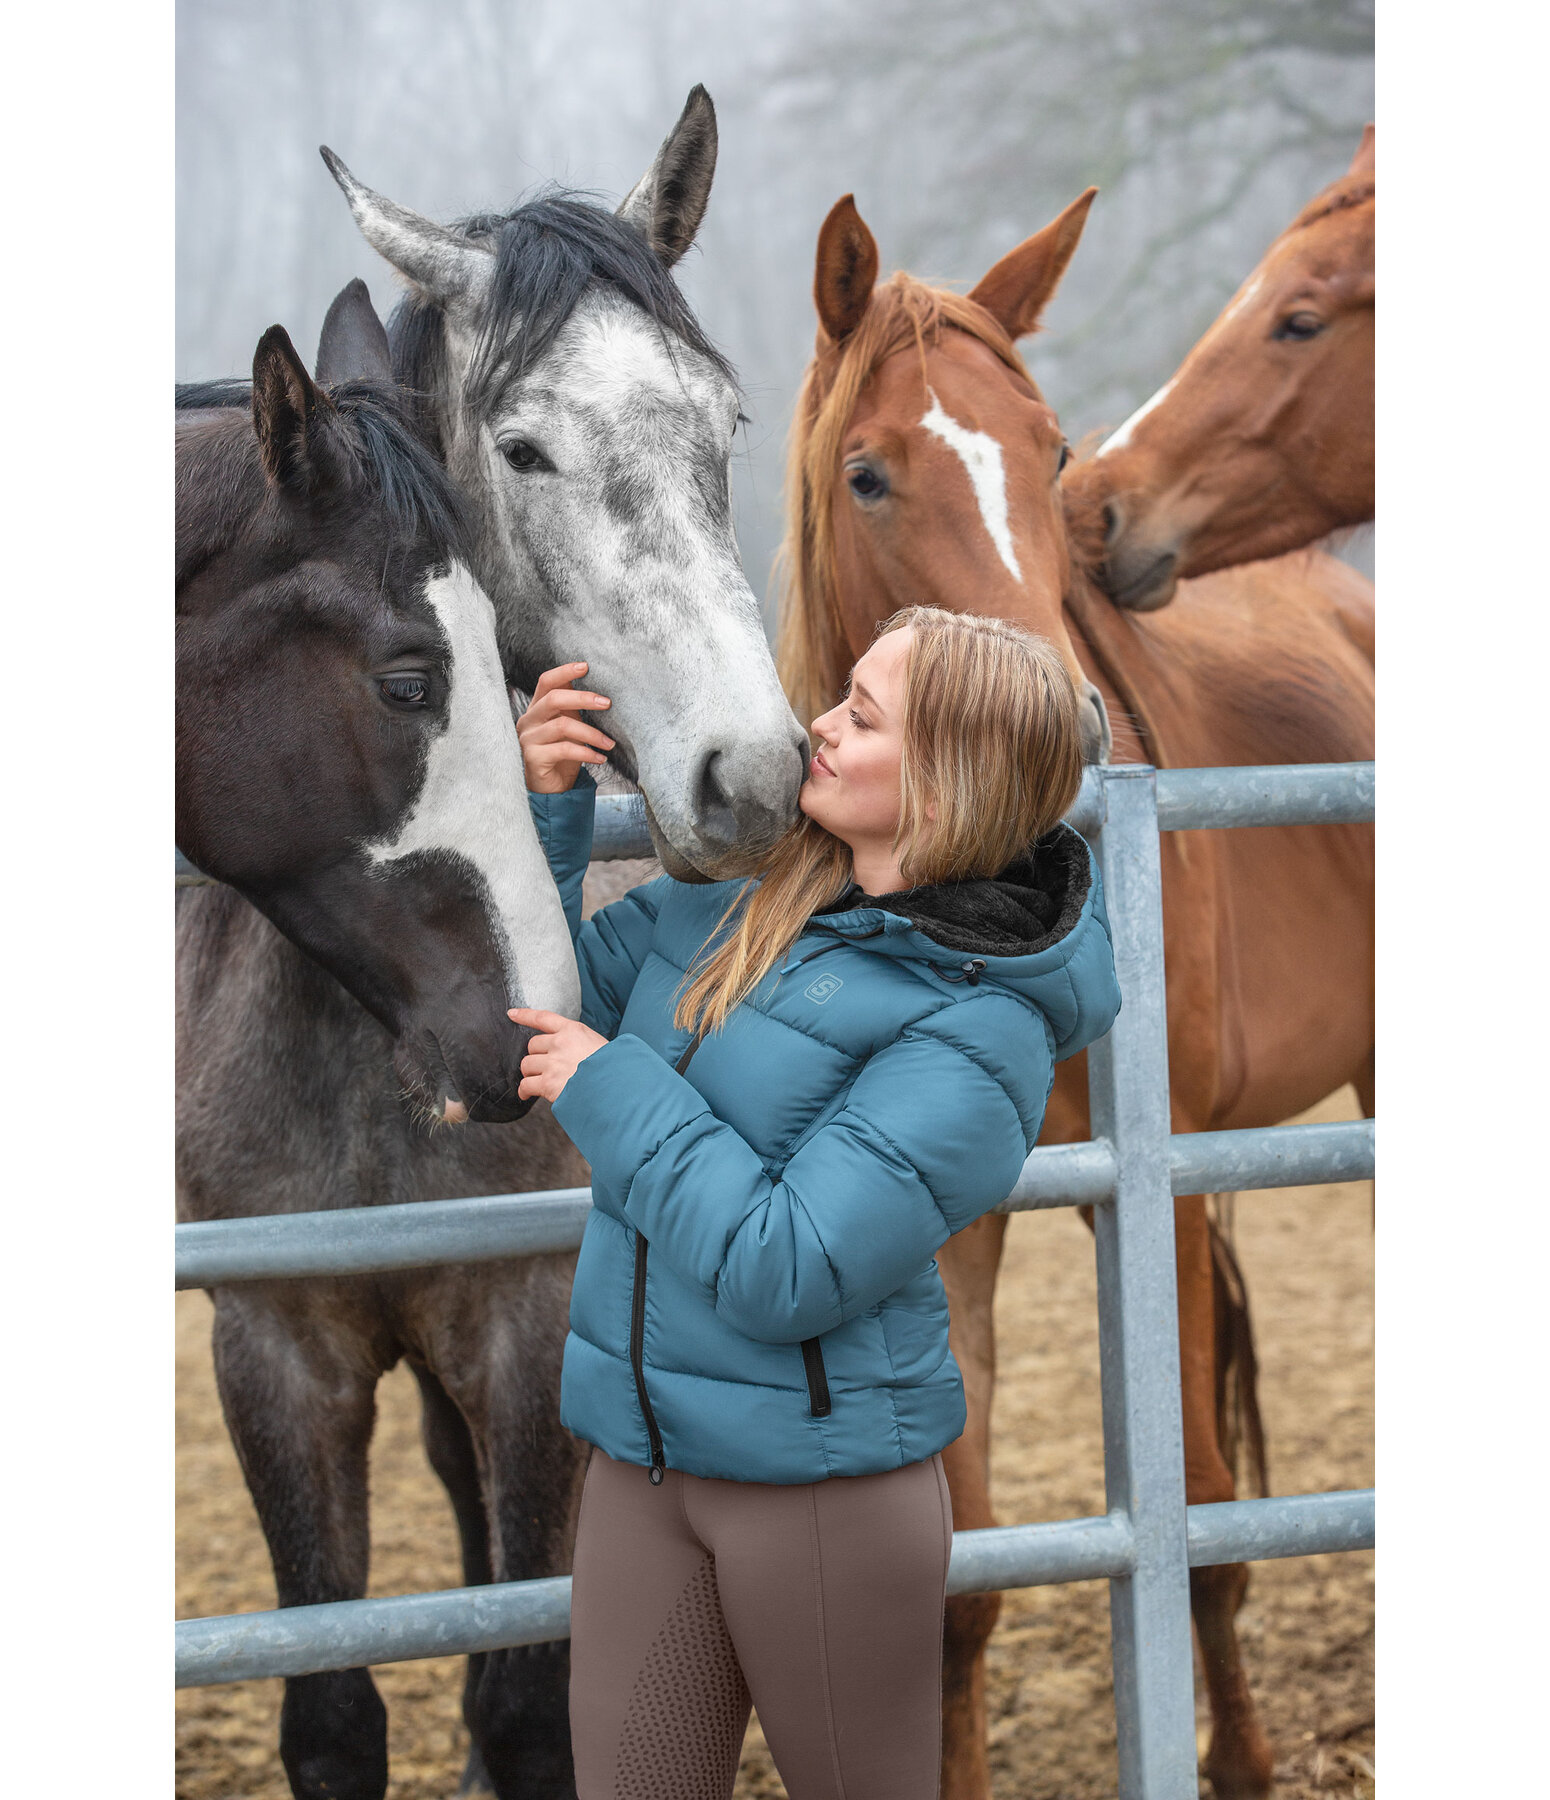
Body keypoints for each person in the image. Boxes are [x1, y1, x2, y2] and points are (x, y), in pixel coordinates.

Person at [512, 605, 1121, 1800]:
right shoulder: (731, 898)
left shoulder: (979, 1031)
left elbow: (785, 1265)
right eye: (838, 697)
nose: (815, 729)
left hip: (823, 1497)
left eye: (861, 715)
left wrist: (610, 1084)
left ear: (948, 778)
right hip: (638, 1462)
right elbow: (524, 1019)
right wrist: (545, 810)